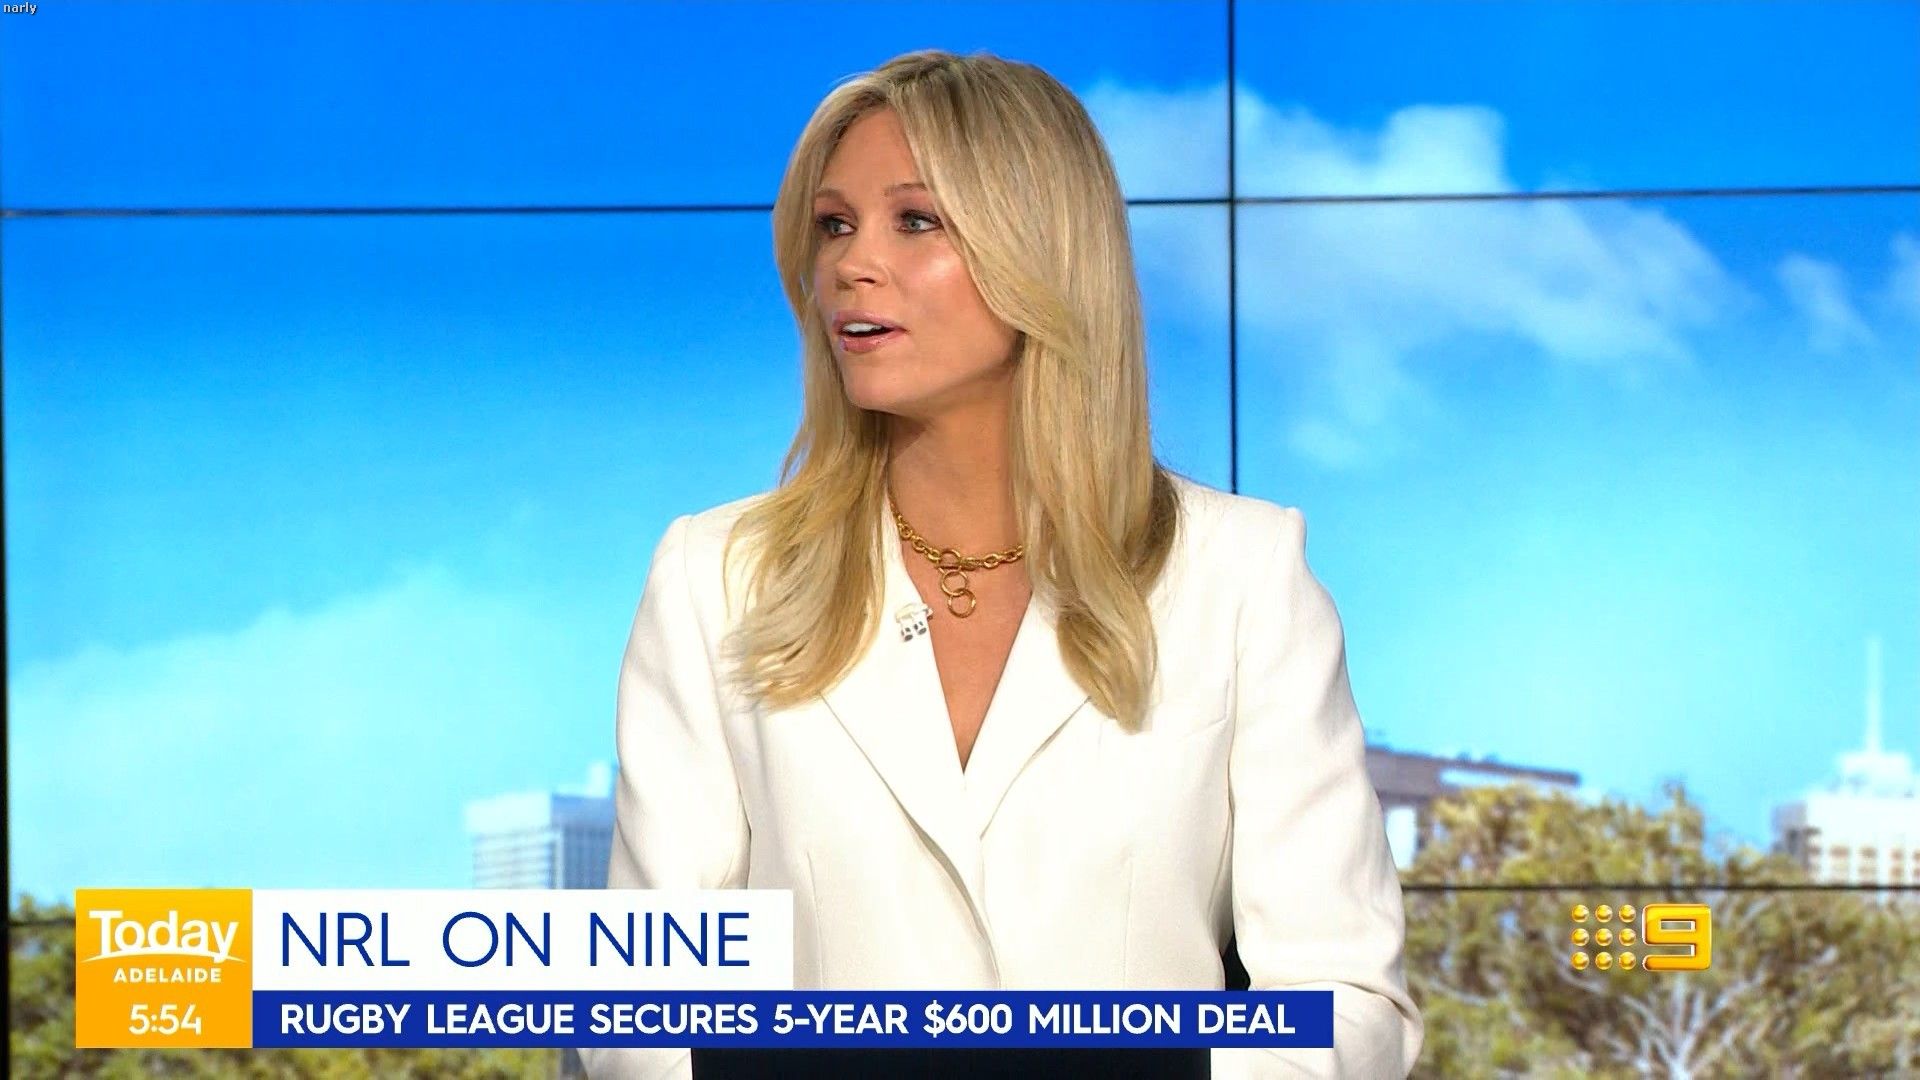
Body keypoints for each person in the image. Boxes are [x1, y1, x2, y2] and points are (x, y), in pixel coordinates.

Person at [579, 48, 1422, 1080]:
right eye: (834, 225)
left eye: (915, 220)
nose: (852, 264)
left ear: (1042, 251)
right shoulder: (714, 576)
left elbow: (1346, 1007)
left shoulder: (1243, 575)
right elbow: (641, 1014)